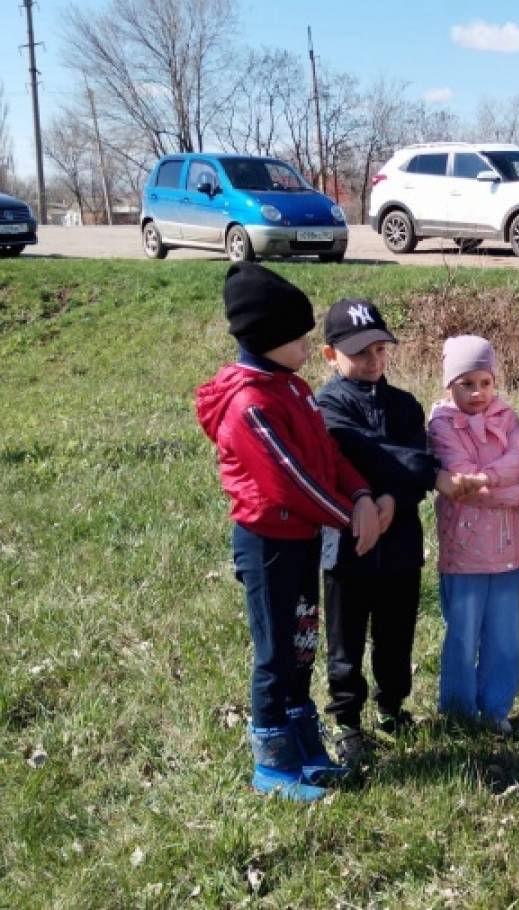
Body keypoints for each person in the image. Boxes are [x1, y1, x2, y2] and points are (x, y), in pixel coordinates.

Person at [196, 263, 383, 801]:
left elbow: (327, 457)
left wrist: (362, 494)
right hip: (269, 544)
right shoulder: (251, 405)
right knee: (276, 648)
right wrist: (351, 518)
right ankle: (273, 761)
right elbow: (291, 484)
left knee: (303, 641)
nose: (307, 344)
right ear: (268, 338)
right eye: (298, 336)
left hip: (303, 539)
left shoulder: (294, 390)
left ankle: (304, 744)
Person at [315, 299, 438, 767]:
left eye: (381, 349)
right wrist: (402, 472)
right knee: (345, 637)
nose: (373, 360)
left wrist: (393, 498)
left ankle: (392, 706)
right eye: (360, 351)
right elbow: (349, 454)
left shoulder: (406, 405)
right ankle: (346, 719)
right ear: (331, 356)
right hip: (348, 546)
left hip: (401, 542)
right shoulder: (325, 406)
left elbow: (423, 465)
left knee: (396, 635)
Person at [428, 336, 519, 734]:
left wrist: (488, 478)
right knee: (463, 634)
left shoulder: (507, 416)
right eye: (466, 383)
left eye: (485, 382)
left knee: (505, 636)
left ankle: (496, 708)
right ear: (448, 384)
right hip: (464, 549)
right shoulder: (441, 424)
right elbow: (459, 477)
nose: (477, 393)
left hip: (509, 547)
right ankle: (457, 710)